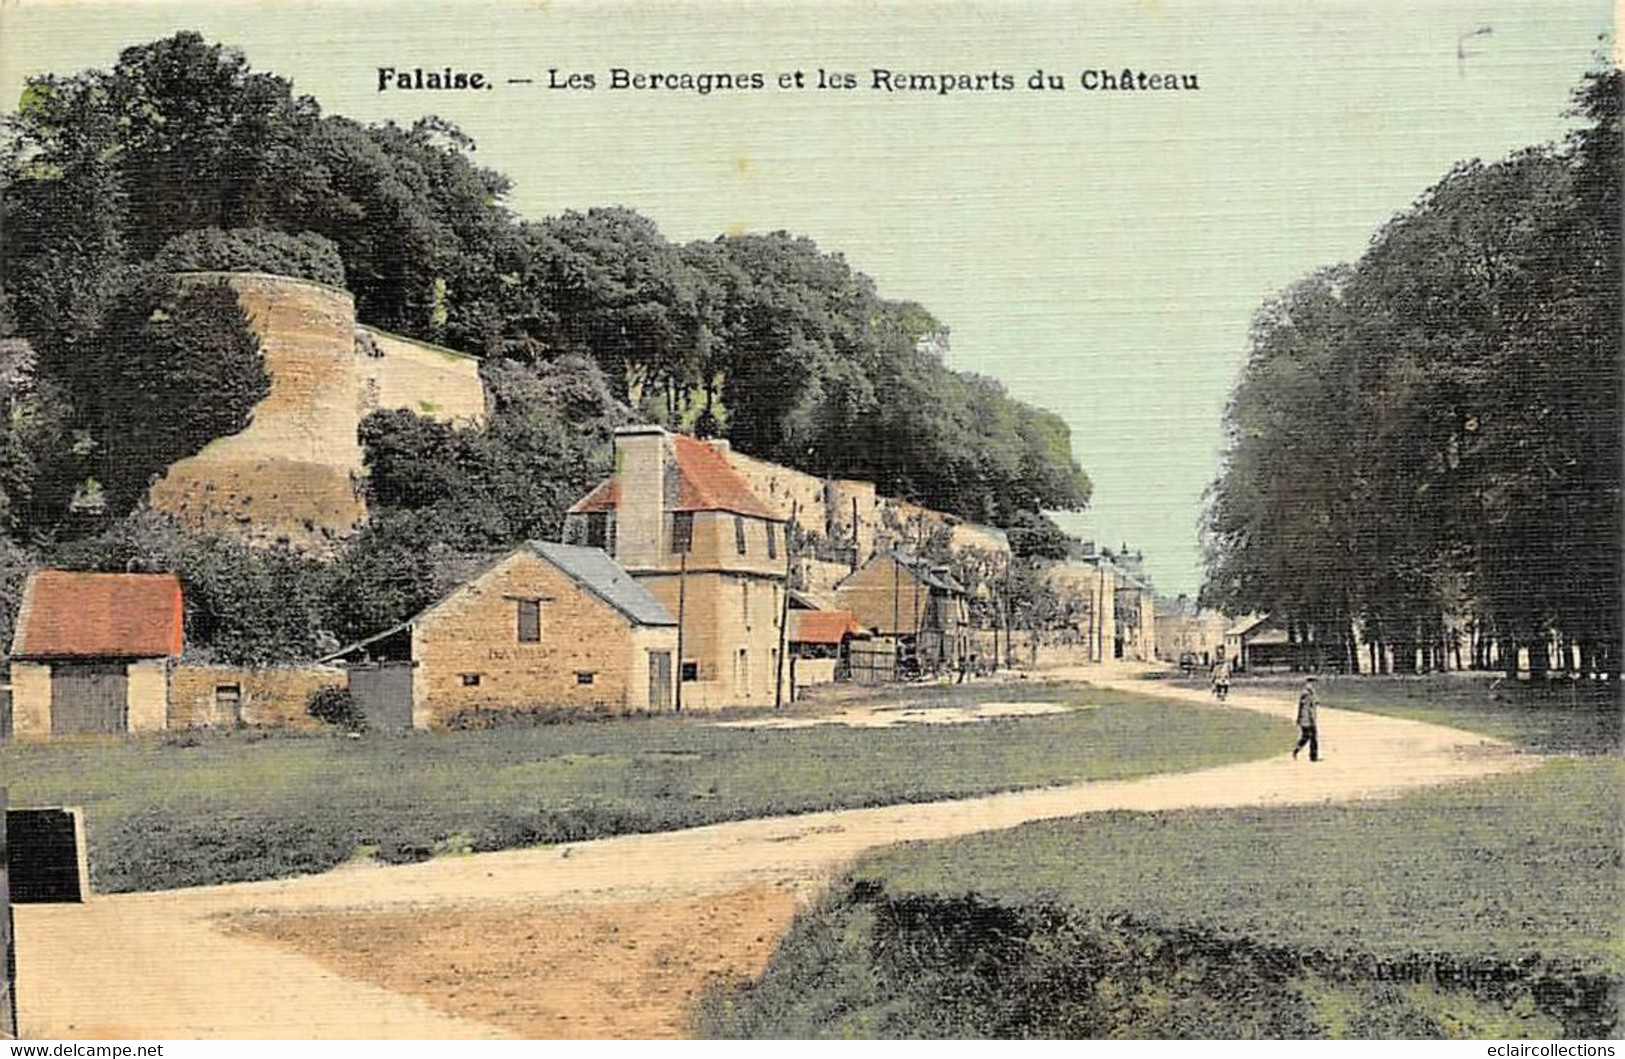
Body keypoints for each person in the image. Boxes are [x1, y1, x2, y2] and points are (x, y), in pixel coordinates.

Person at [1293, 675, 1320, 761]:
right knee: (1307, 736)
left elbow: (1315, 703)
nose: (1314, 685)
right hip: (1307, 719)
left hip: (1309, 718)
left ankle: (1313, 756)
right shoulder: (1306, 693)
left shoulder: (1311, 693)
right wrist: (1302, 718)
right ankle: (1298, 750)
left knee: (1312, 737)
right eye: (1312, 683)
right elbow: (1305, 707)